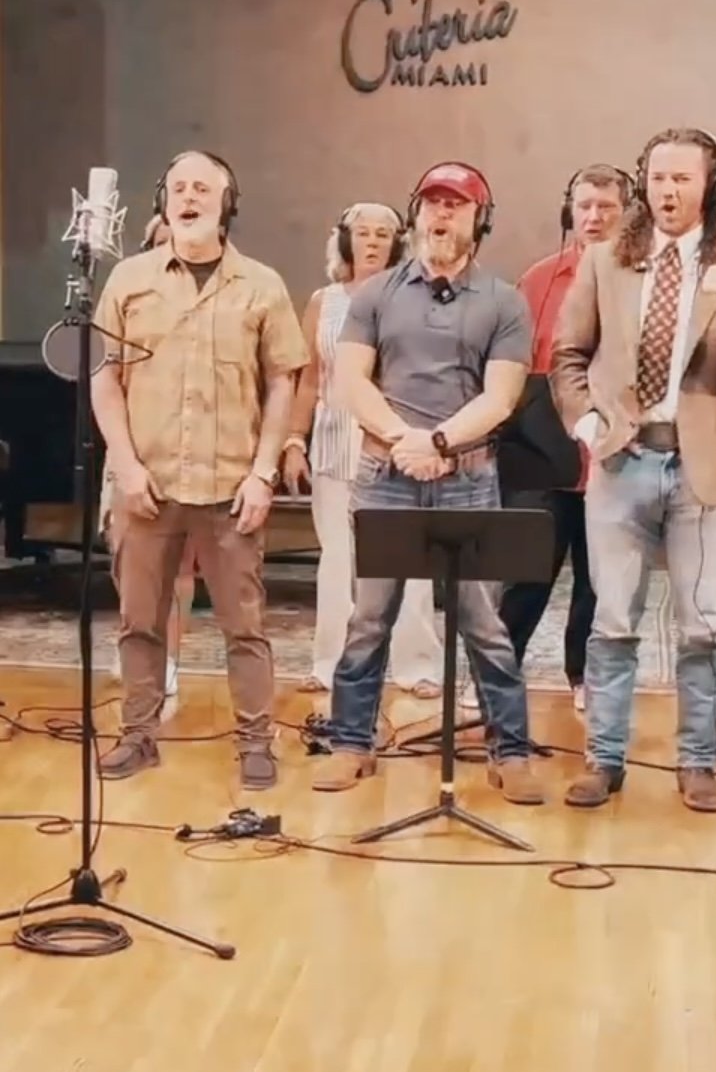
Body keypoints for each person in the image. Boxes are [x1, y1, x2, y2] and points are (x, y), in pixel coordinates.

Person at [550, 126, 716, 813]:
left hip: (703, 466)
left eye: (682, 178)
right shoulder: (605, 262)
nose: (668, 191)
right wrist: (587, 422)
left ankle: (699, 760)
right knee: (611, 620)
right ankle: (605, 758)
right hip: (623, 459)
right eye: (657, 178)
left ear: (711, 184)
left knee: (704, 623)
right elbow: (569, 356)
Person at [312, 161, 546, 803]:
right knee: (368, 619)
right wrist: (404, 442)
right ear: (415, 214)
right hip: (385, 478)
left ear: (480, 220)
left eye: (458, 206)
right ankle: (351, 743)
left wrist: (439, 442)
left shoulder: (504, 301)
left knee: (483, 624)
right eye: (432, 204)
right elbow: (350, 383)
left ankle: (511, 750)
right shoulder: (376, 295)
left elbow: (500, 398)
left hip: (468, 480)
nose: (442, 216)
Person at [90, 151, 306, 788]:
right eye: (178, 188)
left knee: (245, 625)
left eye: (203, 188)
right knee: (139, 620)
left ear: (226, 204)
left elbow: (281, 383)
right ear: (163, 201)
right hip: (145, 484)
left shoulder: (261, 285)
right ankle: (138, 734)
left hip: (230, 487)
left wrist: (263, 472)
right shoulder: (128, 280)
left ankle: (256, 742)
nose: (189, 197)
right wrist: (125, 466)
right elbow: (105, 378)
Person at [280, 202, 443, 696]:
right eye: (362, 232)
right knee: (336, 558)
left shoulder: (416, 298)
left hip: (398, 442)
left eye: (383, 233)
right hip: (334, 443)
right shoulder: (323, 302)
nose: (372, 241)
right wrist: (293, 440)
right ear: (345, 240)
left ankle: (417, 666)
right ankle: (331, 663)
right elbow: (308, 380)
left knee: (408, 559)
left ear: (399, 242)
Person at [496, 163, 632, 710]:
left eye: (606, 207)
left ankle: (586, 679)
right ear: (569, 211)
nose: (593, 217)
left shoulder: (641, 276)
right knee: (525, 573)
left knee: (598, 581)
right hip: (543, 449)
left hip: (613, 448)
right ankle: (497, 678)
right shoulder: (539, 279)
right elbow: (516, 364)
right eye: (584, 206)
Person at [100, 214, 197, 712]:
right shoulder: (130, 296)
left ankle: (170, 661)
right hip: (130, 451)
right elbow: (108, 378)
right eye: (162, 244)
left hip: (187, 456)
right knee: (131, 565)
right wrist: (125, 459)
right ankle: (139, 648)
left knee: (178, 568)